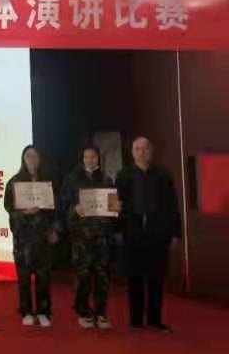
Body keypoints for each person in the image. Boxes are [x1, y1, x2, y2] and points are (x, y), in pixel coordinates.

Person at [116, 137, 182, 333]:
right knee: (134, 278)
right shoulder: (123, 175)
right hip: (133, 232)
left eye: (145, 148)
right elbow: (115, 204)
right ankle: (136, 320)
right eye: (137, 149)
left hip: (158, 233)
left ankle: (155, 319)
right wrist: (117, 229)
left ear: (152, 151)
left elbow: (172, 205)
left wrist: (175, 232)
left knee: (156, 278)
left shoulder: (163, 174)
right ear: (132, 152)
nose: (141, 152)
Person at [62, 145, 118, 330]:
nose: (90, 160)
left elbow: (113, 206)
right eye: (87, 157)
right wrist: (74, 208)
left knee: (103, 275)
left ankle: (101, 313)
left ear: (98, 158)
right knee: (83, 275)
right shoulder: (72, 179)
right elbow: (63, 203)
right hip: (81, 236)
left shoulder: (107, 179)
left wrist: (116, 207)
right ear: (82, 159)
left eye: (93, 157)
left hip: (102, 235)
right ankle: (83, 311)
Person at [4, 145, 59, 328]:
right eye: (28, 156)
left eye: (35, 156)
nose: (32, 159)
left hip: (43, 235)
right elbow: (9, 207)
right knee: (24, 276)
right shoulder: (14, 182)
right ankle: (26, 311)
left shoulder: (48, 182)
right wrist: (23, 212)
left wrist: (54, 230)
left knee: (44, 276)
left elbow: (57, 208)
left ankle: (43, 311)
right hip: (23, 237)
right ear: (23, 159)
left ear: (40, 159)